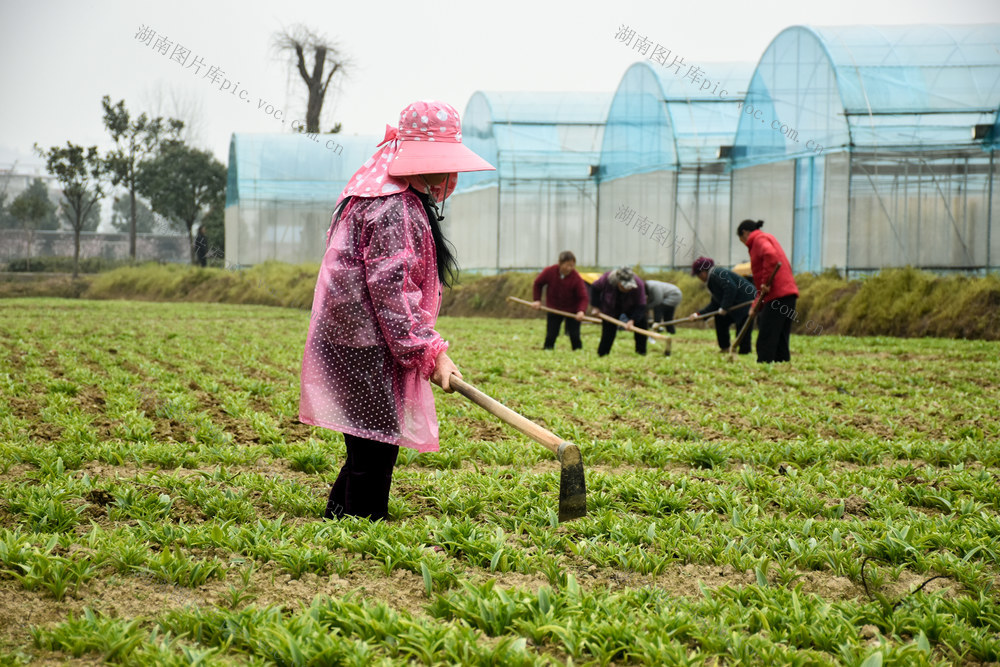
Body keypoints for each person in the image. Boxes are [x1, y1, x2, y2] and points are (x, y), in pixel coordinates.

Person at [298, 101, 495, 521]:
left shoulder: (377, 194)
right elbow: (393, 293)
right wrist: (430, 351)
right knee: (375, 445)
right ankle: (364, 521)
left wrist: (427, 349)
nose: (449, 175)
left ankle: (340, 515)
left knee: (367, 441)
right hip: (366, 343)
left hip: (352, 338)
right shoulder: (395, 208)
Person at [736, 219, 799, 363]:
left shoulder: (758, 240)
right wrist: (754, 307)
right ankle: (781, 368)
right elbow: (762, 287)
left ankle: (764, 370)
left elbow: (770, 256)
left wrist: (765, 282)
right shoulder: (767, 238)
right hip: (788, 294)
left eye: (742, 240)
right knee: (780, 338)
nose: (745, 244)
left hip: (777, 295)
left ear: (745, 233)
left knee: (766, 336)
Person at [689, 256, 756, 354]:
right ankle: (725, 348)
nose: (699, 278)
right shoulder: (713, 279)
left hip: (746, 302)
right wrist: (698, 315)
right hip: (736, 304)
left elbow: (730, 288)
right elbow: (715, 304)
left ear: (703, 272)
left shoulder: (717, 273)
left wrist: (724, 307)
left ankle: (744, 352)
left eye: (698, 275)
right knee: (720, 319)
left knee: (743, 329)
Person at [531, 251, 588, 350]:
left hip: (572, 310)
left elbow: (583, 297)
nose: (569, 268)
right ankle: (547, 351)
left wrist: (581, 311)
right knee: (551, 334)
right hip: (554, 308)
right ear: (560, 263)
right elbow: (538, 283)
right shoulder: (550, 271)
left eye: (572, 265)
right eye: (567, 265)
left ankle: (578, 353)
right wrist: (537, 300)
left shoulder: (576, 277)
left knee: (574, 335)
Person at [589, 266, 648, 356]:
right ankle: (602, 354)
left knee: (642, 324)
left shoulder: (638, 284)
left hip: (631, 306)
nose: (628, 288)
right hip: (611, 306)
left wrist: (633, 320)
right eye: (625, 286)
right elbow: (594, 288)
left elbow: (641, 304)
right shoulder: (607, 279)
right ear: (618, 283)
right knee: (608, 331)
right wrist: (596, 307)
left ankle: (641, 353)